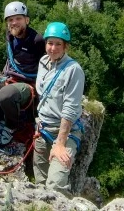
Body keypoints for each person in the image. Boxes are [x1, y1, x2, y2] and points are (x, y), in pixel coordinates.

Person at [0, 1, 45, 145]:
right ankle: (0, 116)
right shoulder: (10, 35)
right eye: (10, 20)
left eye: (18, 18)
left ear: (27, 20)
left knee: (6, 94)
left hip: (28, 84)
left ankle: (12, 126)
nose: (14, 22)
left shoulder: (37, 41)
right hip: (9, 77)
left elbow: (47, 67)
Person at [33, 22, 85, 195]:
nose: (53, 48)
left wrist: (61, 144)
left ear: (66, 47)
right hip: (43, 130)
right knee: (40, 183)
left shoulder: (73, 70)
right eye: (50, 43)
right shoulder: (42, 62)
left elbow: (70, 109)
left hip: (65, 133)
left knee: (55, 186)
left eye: (58, 44)